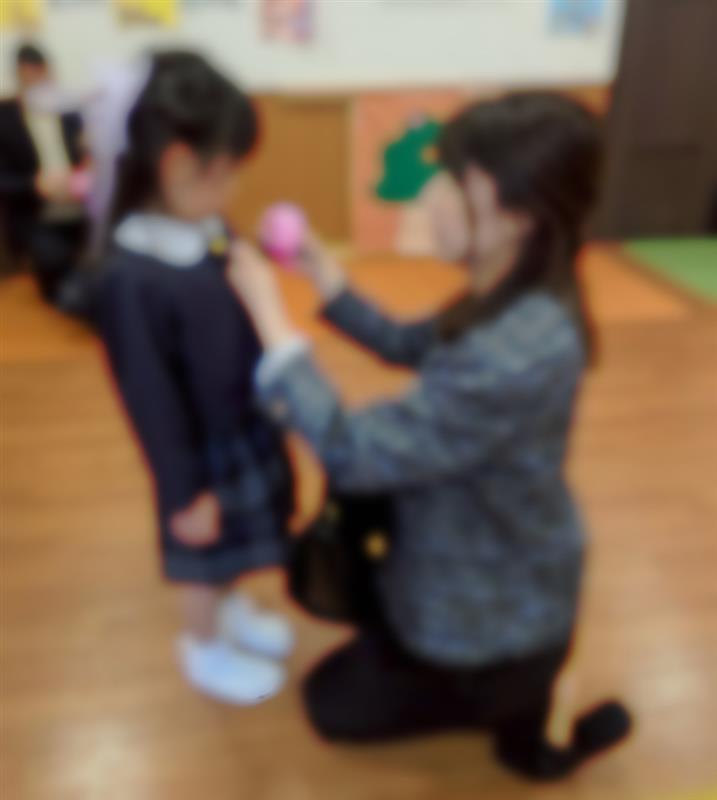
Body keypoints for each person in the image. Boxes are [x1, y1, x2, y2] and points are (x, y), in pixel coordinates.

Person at [228, 93, 631, 779]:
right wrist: (323, 275)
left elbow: (352, 452)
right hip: (473, 550)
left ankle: (518, 707)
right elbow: (406, 341)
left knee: (329, 706)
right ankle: (518, 700)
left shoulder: (517, 348)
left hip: (496, 606)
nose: (430, 197)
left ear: (518, 215)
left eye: (455, 183)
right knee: (358, 648)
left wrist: (271, 319)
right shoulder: (513, 292)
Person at [96, 52, 295, 705]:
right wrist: (184, 491)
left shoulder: (203, 226)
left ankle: (229, 612)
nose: (234, 189)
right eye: (227, 171)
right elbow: (148, 396)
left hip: (239, 422)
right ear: (179, 164)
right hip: (194, 451)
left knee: (234, 542)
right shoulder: (132, 275)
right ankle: (202, 647)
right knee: (202, 556)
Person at [0, 43, 88, 299]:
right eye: (28, 75)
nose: (36, 81)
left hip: (81, 206)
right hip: (37, 213)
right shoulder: (5, 118)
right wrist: (35, 184)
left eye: (40, 74)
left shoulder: (69, 112)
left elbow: (88, 157)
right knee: (55, 277)